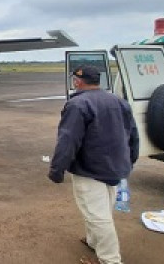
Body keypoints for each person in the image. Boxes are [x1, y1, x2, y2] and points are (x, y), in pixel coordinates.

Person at [48, 65, 139, 264]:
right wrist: (130, 159)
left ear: (78, 81)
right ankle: (93, 241)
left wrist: (57, 169)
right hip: (116, 167)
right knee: (102, 209)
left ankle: (110, 260)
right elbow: (133, 134)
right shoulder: (119, 101)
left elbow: (68, 140)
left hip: (90, 168)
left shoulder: (78, 105)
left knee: (98, 216)